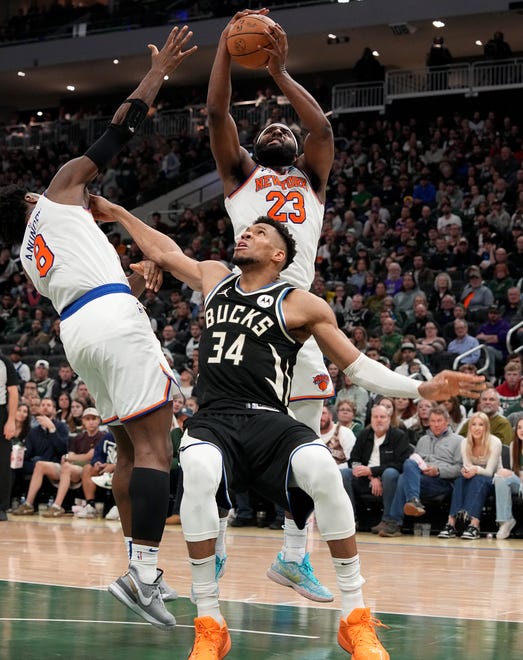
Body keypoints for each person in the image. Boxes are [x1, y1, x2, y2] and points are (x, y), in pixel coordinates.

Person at [91, 197, 485, 659]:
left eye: (258, 233)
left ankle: (355, 617)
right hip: (215, 416)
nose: (245, 234)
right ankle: (210, 622)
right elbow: (164, 251)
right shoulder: (216, 278)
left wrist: (421, 390)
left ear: (279, 255)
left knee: (323, 469)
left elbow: (355, 368)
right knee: (197, 469)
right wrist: (116, 212)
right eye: (246, 231)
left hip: (269, 418)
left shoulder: (300, 303)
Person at [0, 25, 197, 630]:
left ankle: (137, 570)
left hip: (81, 331)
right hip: (109, 320)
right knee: (159, 445)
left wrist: (139, 281)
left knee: (135, 446)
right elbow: (117, 133)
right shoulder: (57, 193)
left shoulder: (31, 255)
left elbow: (94, 289)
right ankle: (143, 573)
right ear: (34, 196)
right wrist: (158, 71)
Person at [206, 8, 336, 601]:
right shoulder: (240, 178)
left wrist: (281, 74)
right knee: (223, 433)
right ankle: (216, 530)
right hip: (243, 318)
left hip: (296, 321)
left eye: (287, 128)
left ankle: (292, 554)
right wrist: (227, 54)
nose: (282, 128)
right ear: (257, 148)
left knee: (307, 448)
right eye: (272, 130)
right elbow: (215, 113)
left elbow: (323, 131)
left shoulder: (311, 175)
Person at [379, 406, 463, 537]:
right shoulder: (423, 440)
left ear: (447, 422)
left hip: (442, 481)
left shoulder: (459, 441)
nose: (436, 424)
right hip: (421, 479)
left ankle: (395, 522)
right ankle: (413, 500)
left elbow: (459, 469)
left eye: (439, 421)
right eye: (433, 421)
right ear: (429, 422)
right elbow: (415, 461)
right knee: (409, 463)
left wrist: (438, 471)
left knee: (403, 479)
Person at [15, 407, 104, 518]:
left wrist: (75, 457)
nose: (91, 421)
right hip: (70, 468)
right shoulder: (78, 438)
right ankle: (28, 504)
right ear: (83, 421)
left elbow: (89, 456)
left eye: (94, 418)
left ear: (99, 420)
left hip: (87, 470)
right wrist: (76, 457)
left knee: (67, 466)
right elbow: (69, 455)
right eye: (88, 419)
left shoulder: (102, 436)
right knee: (40, 465)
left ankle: (57, 506)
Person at [346, 404, 411, 535]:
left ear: (389, 419)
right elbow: (353, 460)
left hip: (388, 478)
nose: (379, 420)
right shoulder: (364, 434)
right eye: (375, 417)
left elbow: (400, 464)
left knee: (390, 473)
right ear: (371, 419)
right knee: (343, 474)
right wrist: (370, 476)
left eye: (382, 417)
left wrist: (373, 471)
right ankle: (349, 519)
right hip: (366, 478)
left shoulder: (399, 436)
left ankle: (388, 520)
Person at [438, 412, 502, 540]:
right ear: (469, 427)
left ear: (486, 427)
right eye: (473, 424)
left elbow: (489, 471)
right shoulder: (465, 442)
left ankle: (474, 525)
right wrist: (465, 471)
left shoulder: (495, 442)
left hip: (493, 480)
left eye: (481, 425)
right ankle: (451, 523)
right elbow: (467, 466)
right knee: (460, 480)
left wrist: (475, 469)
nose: (477, 428)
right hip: (473, 478)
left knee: (478, 479)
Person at [75, 427, 117, 519]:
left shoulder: (131, 437)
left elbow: (133, 460)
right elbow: (97, 454)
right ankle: (90, 505)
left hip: (121, 469)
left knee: (124, 471)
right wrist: (97, 463)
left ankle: (117, 507)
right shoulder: (107, 437)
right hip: (104, 469)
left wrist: (114, 466)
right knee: (87, 468)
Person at [493, 417, 523, 540]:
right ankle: (505, 521)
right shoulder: (513, 446)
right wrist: (507, 472)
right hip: (519, 482)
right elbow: (514, 470)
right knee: (501, 478)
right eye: (519, 428)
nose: (521, 430)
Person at [0, 351, 19, 521]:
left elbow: (13, 392)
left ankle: (1, 508)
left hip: (1, 414)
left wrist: (11, 420)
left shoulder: (5, 363)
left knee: (3, 463)